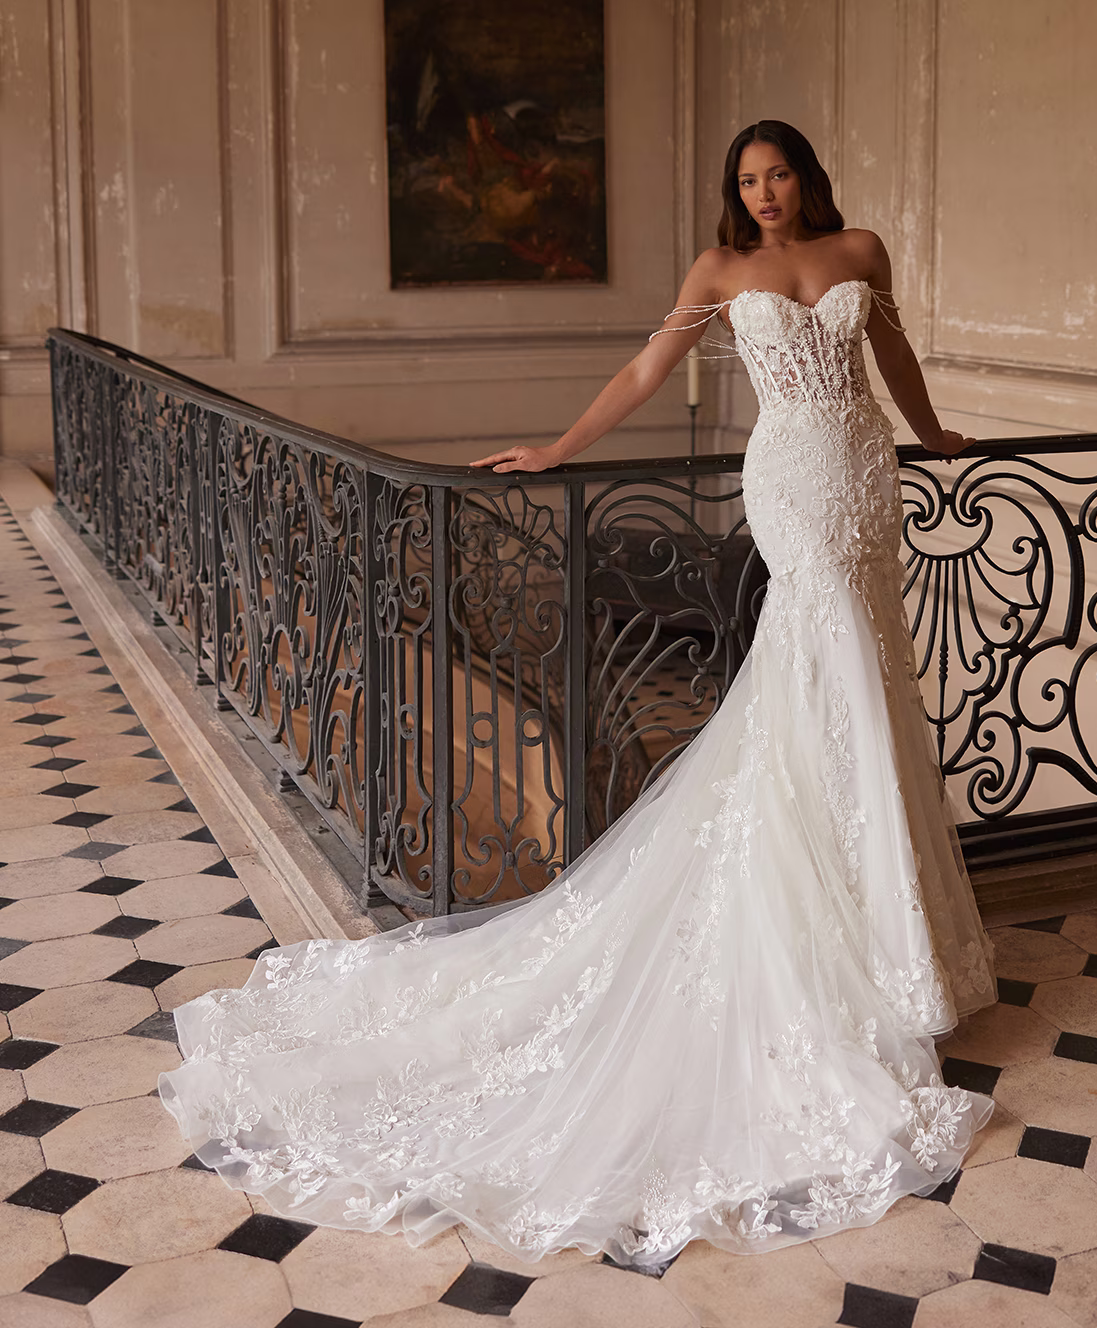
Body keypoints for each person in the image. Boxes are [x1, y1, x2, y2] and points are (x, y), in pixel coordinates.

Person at [159, 120, 997, 1266]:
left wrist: (932, 430)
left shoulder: (863, 250)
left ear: (806, 174)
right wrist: (558, 447)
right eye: (746, 181)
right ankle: (845, 954)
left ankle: (880, 936)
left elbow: (889, 363)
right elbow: (649, 368)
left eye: (777, 173)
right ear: (734, 192)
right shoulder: (721, 272)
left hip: (866, 480)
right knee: (829, 666)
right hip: (794, 485)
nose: (763, 194)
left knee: (861, 697)